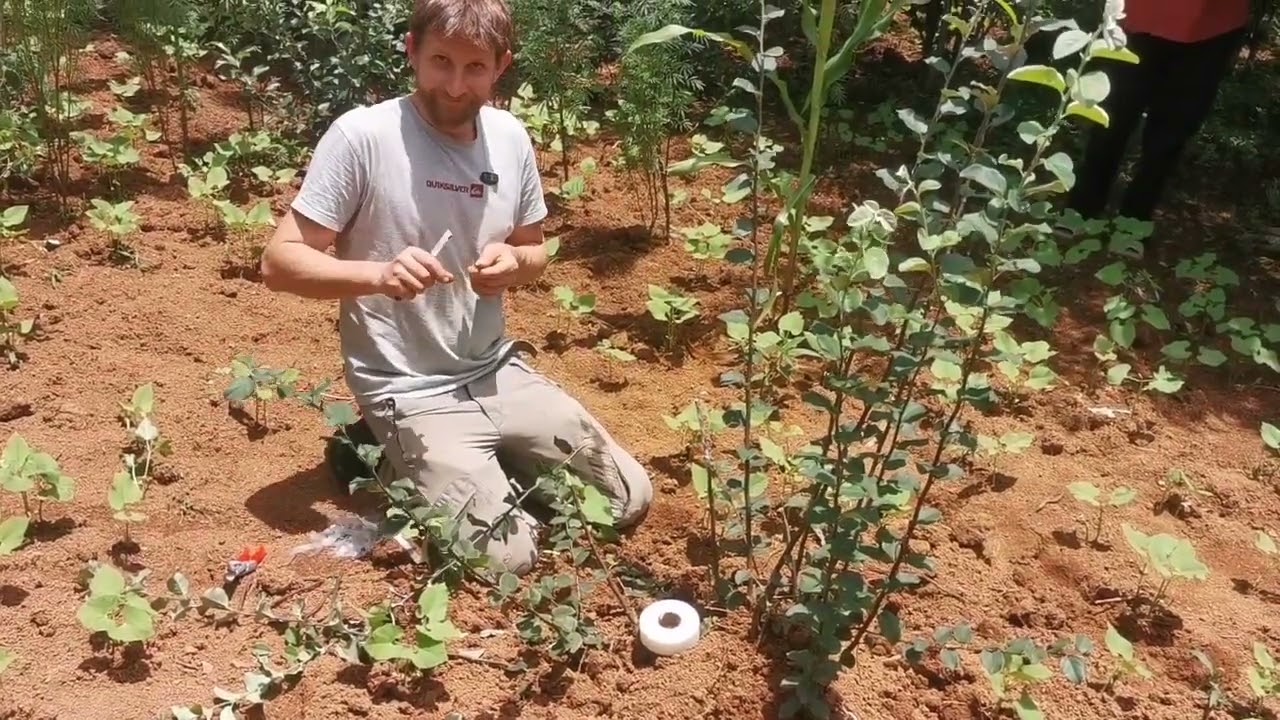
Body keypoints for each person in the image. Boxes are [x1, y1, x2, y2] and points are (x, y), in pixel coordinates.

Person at [259, 0, 652, 575]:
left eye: (474, 67)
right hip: (408, 388)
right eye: (441, 61)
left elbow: (534, 252)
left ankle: (475, 469)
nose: (455, 84)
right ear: (411, 51)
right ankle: (375, 453)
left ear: (501, 66)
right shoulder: (362, 137)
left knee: (624, 501)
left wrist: (513, 263)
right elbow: (279, 262)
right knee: (506, 557)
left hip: (495, 371)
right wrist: (378, 273)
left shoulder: (510, 138)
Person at [1067, 0, 1253, 225]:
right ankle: (1083, 205)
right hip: (1139, 17)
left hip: (1213, 26)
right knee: (1113, 118)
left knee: (1172, 133)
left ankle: (1135, 220)